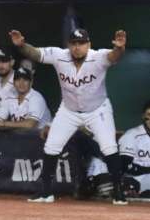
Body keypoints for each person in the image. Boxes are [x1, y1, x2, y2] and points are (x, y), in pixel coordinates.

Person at [10, 27, 127, 205]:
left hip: (97, 109)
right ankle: (45, 192)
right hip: (69, 110)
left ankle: (119, 192)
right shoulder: (59, 55)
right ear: (68, 45)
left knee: (109, 147)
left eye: (81, 43)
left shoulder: (98, 56)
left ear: (89, 44)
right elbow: (35, 54)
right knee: (51, 146)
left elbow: (114, 57)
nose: (77, 47)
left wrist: (119, 48)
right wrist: (21, 45)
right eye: (74, 43)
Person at [0, 67, 51, 135]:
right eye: (18, 80)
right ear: (14, 83)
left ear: (31, 82)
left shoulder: (36, 98)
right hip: (22, 138)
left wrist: (3, 124)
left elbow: (30, 124)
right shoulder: (10, 96)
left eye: (25, 80)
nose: (21, 83)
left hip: (41, 137)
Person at [118, 100, 150, 198]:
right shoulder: (132, 135)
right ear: (143, 116)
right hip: (133, 179)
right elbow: (125, 166)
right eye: (149, 114)